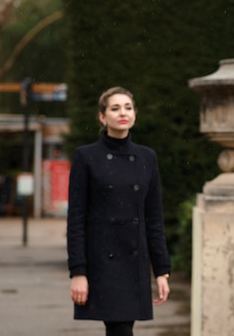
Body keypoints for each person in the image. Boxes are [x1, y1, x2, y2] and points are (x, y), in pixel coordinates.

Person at [67, 86, 171, 336]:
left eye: (128, 107)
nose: (123, 113)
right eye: (115, 108)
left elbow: (153, 217)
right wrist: (78, 272)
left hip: (134, 261)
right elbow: (76, 220)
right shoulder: (86, 157)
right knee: (120, 330)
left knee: (122, 330)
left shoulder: (147, 157)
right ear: (102, 117)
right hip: (103, 263)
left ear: (135, 114)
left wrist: (161, 271)